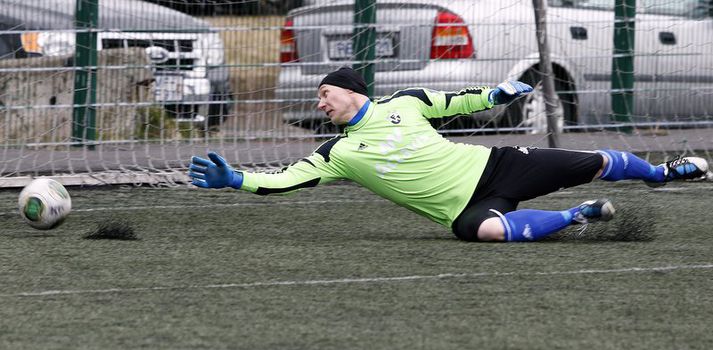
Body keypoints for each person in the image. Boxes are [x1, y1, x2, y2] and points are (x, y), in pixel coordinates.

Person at [188, 67, 709, 242]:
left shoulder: (405, 103)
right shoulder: (336, 152)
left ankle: (660, 174)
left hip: (497, 165)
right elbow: (284, 181)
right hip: (460, 211)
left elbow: (458, 102)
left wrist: (498, 95)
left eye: (325, 93)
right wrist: (236, 180)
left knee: (595, 161)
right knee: (486, 233)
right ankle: (578, 215)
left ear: (351, 91)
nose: (320, 103)